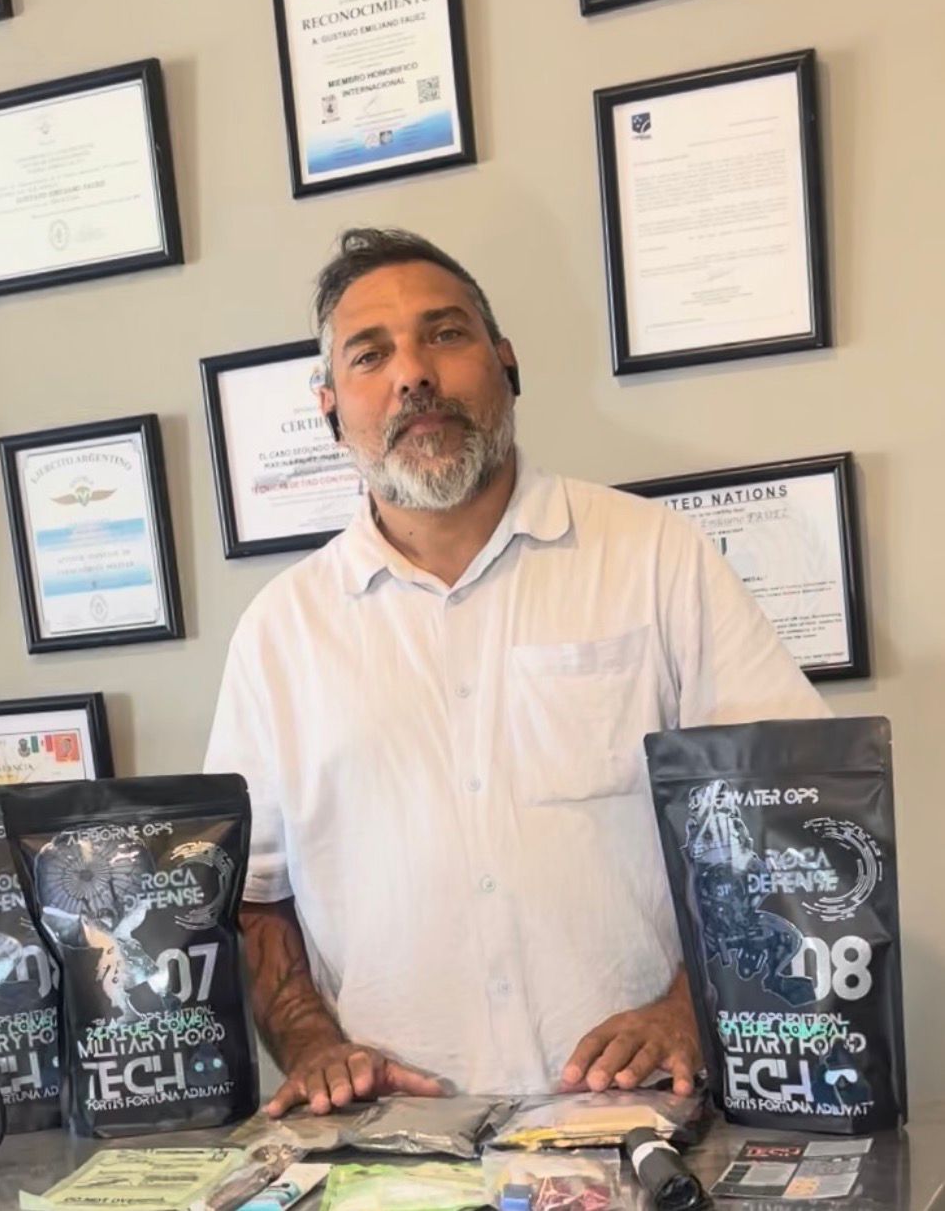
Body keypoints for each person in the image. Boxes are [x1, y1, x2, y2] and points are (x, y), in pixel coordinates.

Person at [204, 228, 828, 1117]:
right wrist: (315, 1043)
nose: (412, 373)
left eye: (446, 334)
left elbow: (783, 810)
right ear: (330, 408)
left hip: (649, 1121)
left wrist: (691, 1006)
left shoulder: (652, 558)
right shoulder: (280, 633)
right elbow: (253, 895)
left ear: (506, 363)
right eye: (370, 354)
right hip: (396, 1147)